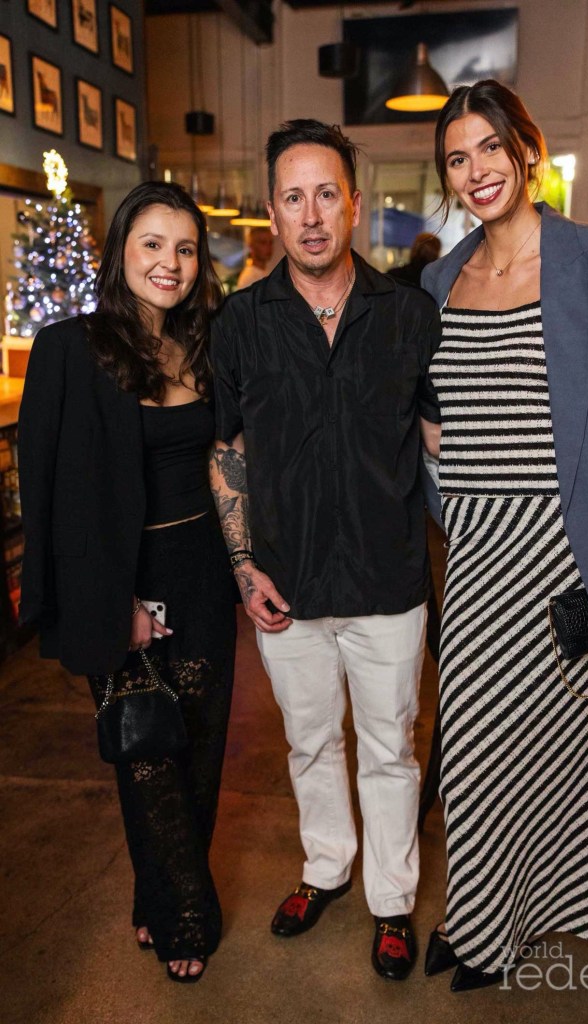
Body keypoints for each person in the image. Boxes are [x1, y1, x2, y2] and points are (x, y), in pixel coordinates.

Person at [419, 79, 588, 992]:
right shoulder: (439, 281)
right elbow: (440, 417)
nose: (476, 170)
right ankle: (482, 920)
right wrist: (432, 452)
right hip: (477, 557)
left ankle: (557, 910)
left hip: (575, 555)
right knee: (477, 753)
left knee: (574, 752)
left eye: (490, 147)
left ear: (526, 150)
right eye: (457, 158)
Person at [209, 119, 442, 980]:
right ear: (272, 211)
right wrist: (244, 568)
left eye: (325, 195)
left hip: (389, 581)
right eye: (292, 197)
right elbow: (226, 451)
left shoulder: (408, 314)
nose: (309, 215)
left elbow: (440, 443)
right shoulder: (240, 322)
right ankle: (326, 868)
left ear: (353, 203)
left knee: (389, 749)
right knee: (309, 744)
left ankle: (391, 899)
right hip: (287, 584)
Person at [18, 181, 237, 984]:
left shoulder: (206, 345)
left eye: (185, 248)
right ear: (120, 251)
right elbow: (51, 493)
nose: (169, 263)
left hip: (202, 575)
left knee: (200, 751)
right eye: (152, 244)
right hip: (120, 579)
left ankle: (157, 893)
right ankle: (189, 914)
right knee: (145, 753)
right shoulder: (68, 348)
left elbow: (226, 463)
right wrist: (116, 604)